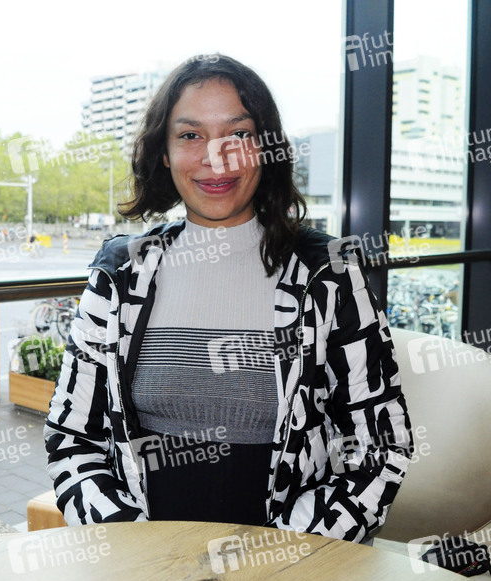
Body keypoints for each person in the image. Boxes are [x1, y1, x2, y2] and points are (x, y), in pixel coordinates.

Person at [44, 54, 412, 542]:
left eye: (238, 134)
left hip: (294, 558)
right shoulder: (121, 273)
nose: (216, 157)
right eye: (190, 135)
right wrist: (134, 546)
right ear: (164, 153)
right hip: (143, 558)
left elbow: (380, 447)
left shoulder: (329, 273)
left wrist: (282, 553)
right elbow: (73, 438)